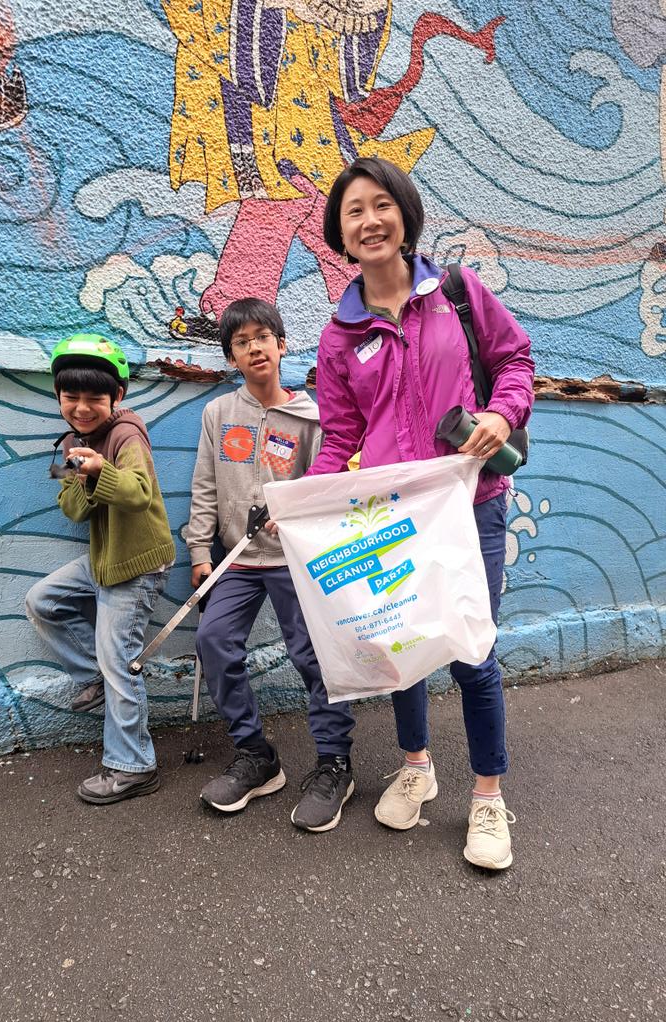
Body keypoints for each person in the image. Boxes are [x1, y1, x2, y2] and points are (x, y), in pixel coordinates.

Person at [307, 157, 534, 868]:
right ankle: (417, 765)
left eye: (381, 205)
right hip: (388, 515)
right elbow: (339, 436)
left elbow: (518, 361)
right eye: (354, 211)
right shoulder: (340, 334)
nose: (369, 221)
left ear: (404, 214)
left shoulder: (459, 295)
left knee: (470, 652)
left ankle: (489, 800)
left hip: (473, 505)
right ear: (340, 233)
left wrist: (502, 412)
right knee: (400, 652)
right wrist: (301, 505)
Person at [186, 298, 356, 832]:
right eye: (241, 342)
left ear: (282, 345)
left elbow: (330, 483)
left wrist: (298, 514)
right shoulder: (219, 415)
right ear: (231, 357)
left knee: (312, 656)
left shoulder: (313, 417)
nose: (254, 347)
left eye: (263, 336)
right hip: (237, 560)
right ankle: (256, 756)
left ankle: (335, 763)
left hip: (295, 560)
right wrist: (198, 551)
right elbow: (205, 487)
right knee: (213, 641)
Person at [25, 334, 175, 805]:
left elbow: (138, 493)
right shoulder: (73, 443)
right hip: (105, 558)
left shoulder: (128, 433)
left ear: (118, 398)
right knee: (42, 601)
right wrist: (80, 473)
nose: (83, 407)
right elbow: (71, 509)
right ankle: (91, 675)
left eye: (95, 398)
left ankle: (134, 766)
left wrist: (96, 471)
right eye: (72, 397)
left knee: (121, 664)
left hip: (137, 565)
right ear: (59, 398)